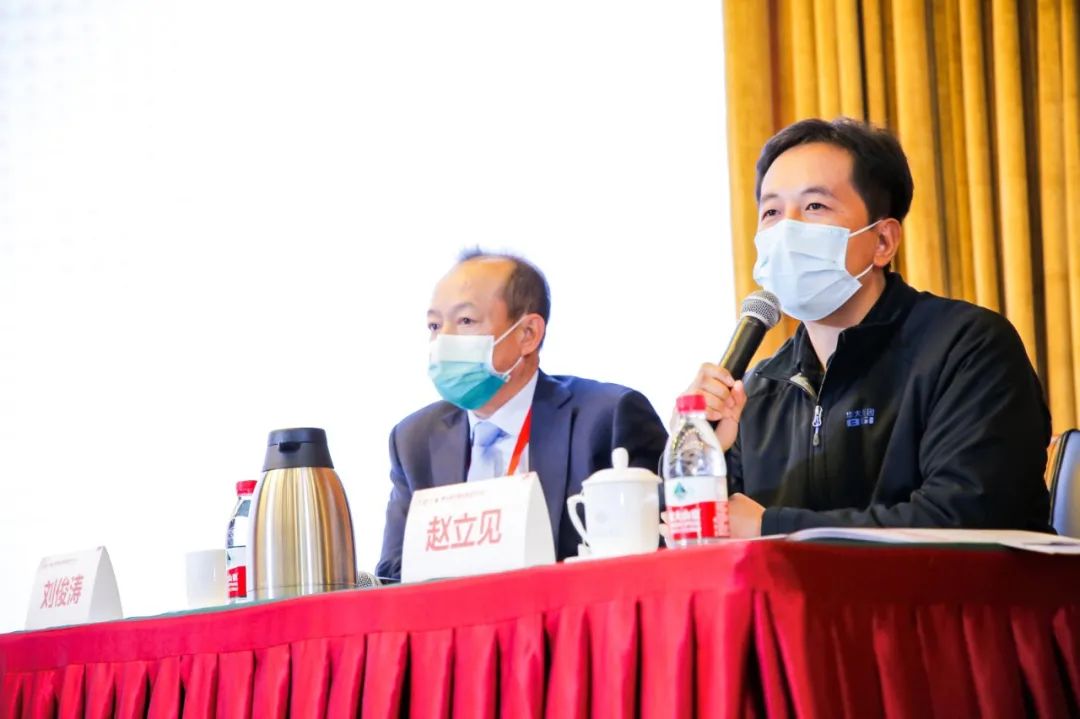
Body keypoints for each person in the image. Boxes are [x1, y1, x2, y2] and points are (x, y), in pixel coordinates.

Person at [686, 117, 1052, 537]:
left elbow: (965, 520)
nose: (787, 230)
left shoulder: (967, 348)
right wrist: (699, 447)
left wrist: (772, 526)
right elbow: (699, 537)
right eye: (771, 212)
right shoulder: (758, 391)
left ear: (883, 242)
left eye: (814, 206)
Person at [376, 250, 668, 579]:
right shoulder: (415, 439)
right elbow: (393, 572)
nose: (443, 340)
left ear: (528, 333)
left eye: (466, 321)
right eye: (434, 325)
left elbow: (658, 555)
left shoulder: (607, 418)